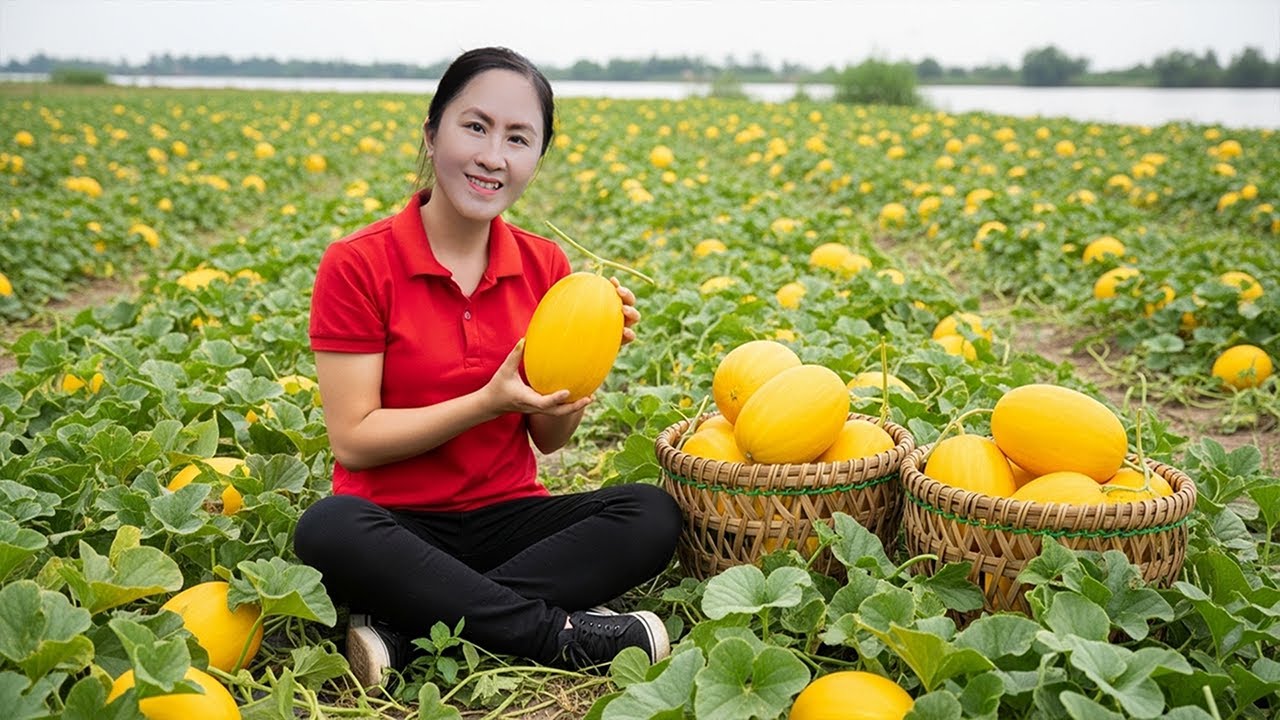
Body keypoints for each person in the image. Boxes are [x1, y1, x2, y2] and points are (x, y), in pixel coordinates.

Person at [293, 46, 683, 687]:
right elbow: (354, 442)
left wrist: (587, 364)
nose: (493, 156)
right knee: (328, 529)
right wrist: (486, 402)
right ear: (432, 132)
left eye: (518, 138)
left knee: (650, 514)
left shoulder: (547, 266)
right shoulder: (357, 263)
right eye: (475, 127)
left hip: (510, 520)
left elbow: (549, 438)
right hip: (394, 527)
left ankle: (409, 630)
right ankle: (559, 635)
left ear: (536, 158)